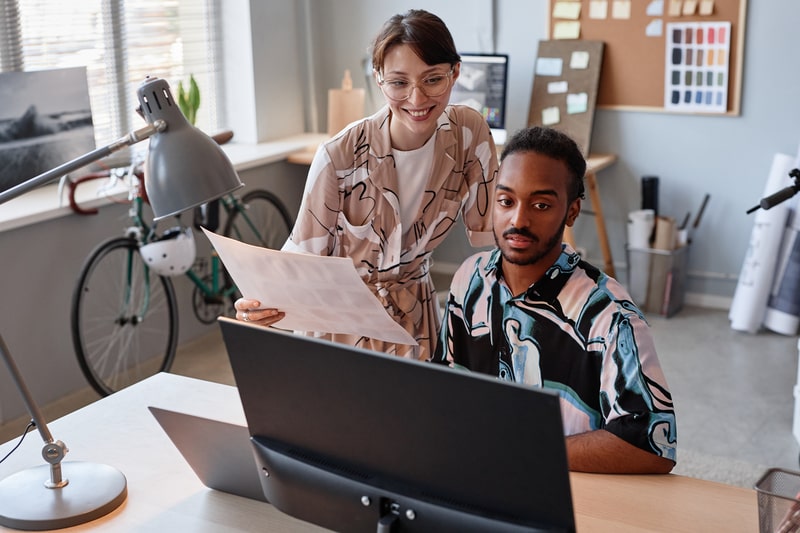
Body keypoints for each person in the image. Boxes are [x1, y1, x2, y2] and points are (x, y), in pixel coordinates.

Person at [234, 9, 498, 360]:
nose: (417, 100)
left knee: (418, 413)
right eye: (399, 83)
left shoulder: (469, 132)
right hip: (340, 325)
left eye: (433, 79)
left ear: (455, 73)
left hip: (417, 320)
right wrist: (258, 303)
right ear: (378, 79)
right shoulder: (339, 155)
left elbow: (498, 234)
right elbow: (302, 258)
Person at [433, 126, 677, 474]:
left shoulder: (608, 314)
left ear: (572, 212)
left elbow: (652, 446)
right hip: (471, 475)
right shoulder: (469, 279)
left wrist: (524, 453)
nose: (518, 219)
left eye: (541, 205)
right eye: (506, 201)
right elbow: (443, 385)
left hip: (566, 490)